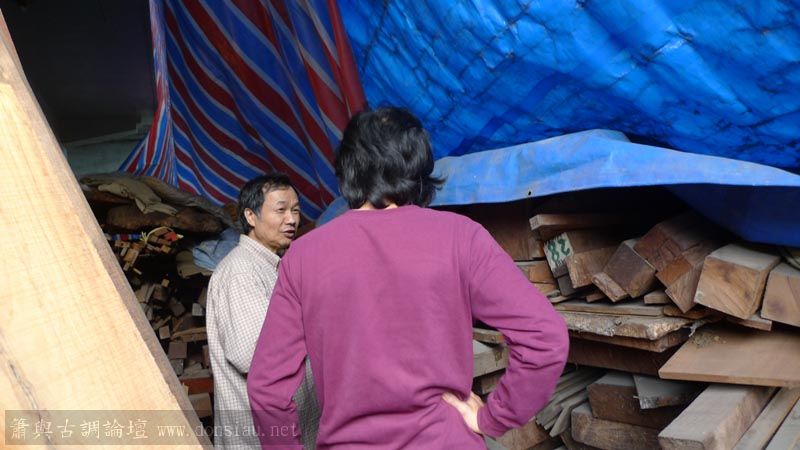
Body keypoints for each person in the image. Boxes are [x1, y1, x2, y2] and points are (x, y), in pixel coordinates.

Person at [247, 107, 569, 449]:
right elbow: (545, 338)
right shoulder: (461, 237)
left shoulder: (303, 256)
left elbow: (266, 388)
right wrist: (492, 418)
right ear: (419, 167)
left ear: (348, 170)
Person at [206, 173, 319, 449]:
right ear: (251, 216)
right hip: (259, 438)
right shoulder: (242, 272)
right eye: (281, 210)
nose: (291, 220)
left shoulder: (273, 266)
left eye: (295, 211)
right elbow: (252, 356)